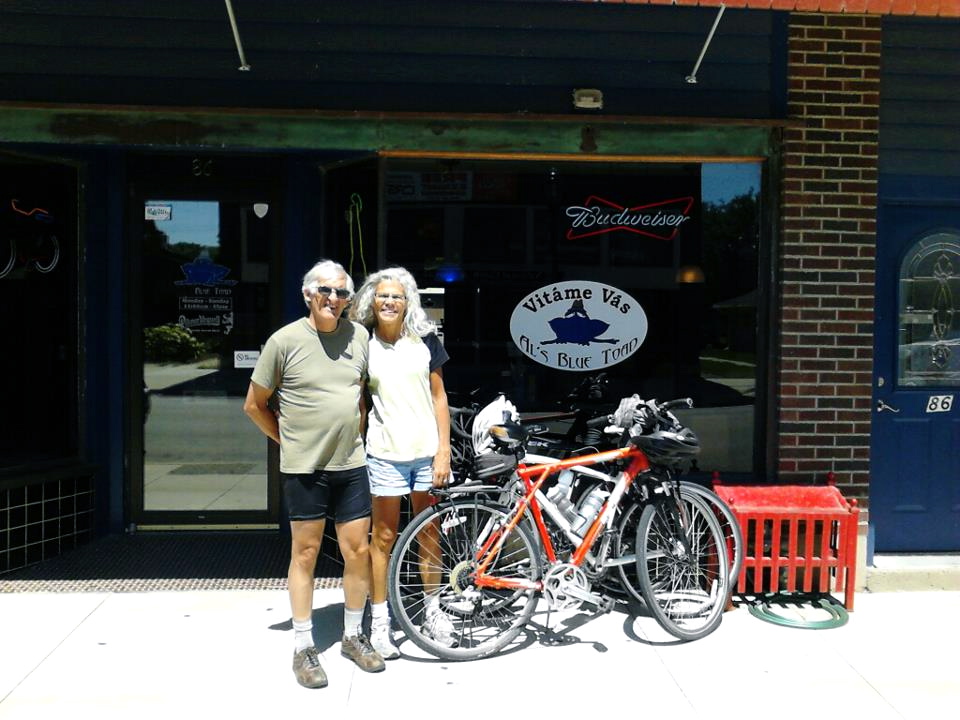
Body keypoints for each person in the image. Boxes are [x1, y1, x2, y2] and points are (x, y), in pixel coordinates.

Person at [243, 259, 384, 689]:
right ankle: (304, 646)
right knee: (305, 554)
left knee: (357, 551)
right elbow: (254, 405)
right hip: (304, 468)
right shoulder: (284, 341)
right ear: (308, 294)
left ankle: (353, 636)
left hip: (351, 465)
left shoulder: (359, 337)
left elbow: (361, 397)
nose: (334, 299)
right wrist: (287, 441)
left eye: (342, 293)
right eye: (326, 290)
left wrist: (356, 432)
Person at [350, 266, 453, 659]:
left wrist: (443, 450)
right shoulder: (363, 343)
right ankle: (380, 622)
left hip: (426, 453)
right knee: (384, 539)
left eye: (396, 296)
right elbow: (359, 403)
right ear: (372, 301)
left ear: (408, 301)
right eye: (382, 295)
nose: (389, 302)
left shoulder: (425, 340)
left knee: (429, 534)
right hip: (384, 454)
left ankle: (432, 612)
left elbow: (440, 398)